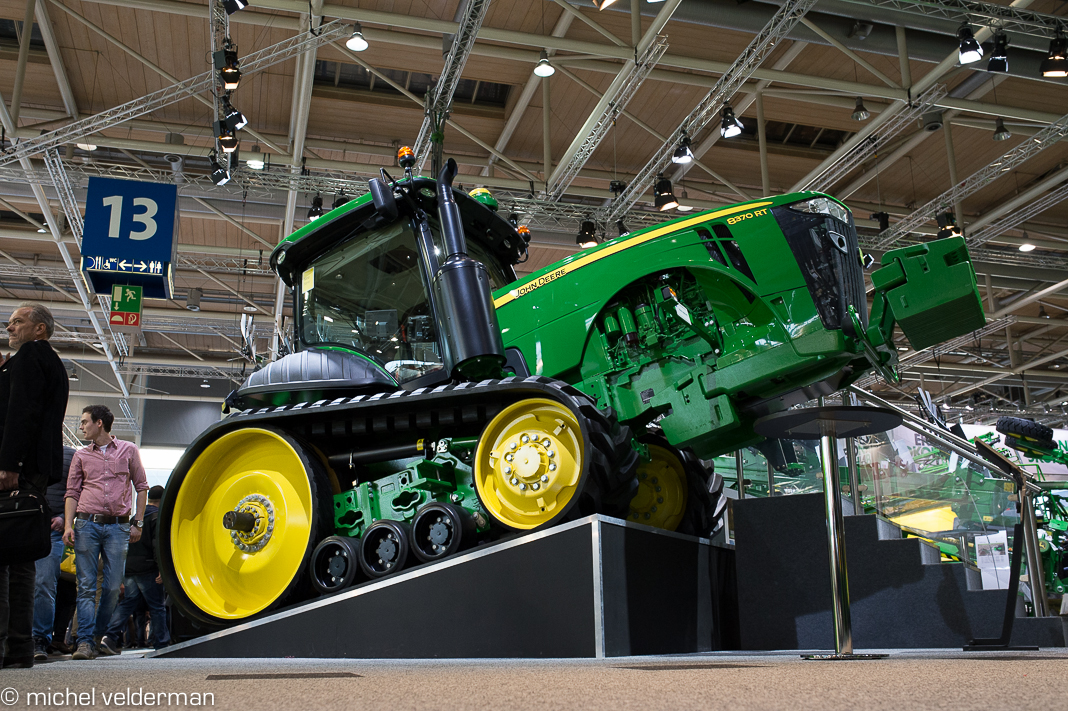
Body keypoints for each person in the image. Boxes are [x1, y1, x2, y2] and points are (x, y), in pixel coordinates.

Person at [0, 303, 69, 669]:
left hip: (19, 469)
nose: (10, 327)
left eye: (18, 321)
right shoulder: (49, 361)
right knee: (20, 557)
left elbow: (21, 412)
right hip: (36, 469)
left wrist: (9, 464)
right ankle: (18, 647)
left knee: (5, 557)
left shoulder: (30, 356)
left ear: (40, 328)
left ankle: (8, 645)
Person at [64, 405, 148, 660]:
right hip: (86, 524)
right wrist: (68, 525)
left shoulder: (128, 450)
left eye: (84, 422)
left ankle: (96, 635)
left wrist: (138, 523)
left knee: (112, 588)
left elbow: (141, 487)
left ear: (99, 423)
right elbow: (72, 492)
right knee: (86, 587)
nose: (81, 426)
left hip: (118, 527)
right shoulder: (81, 456)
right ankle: (85, 641)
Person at [101, 485, 170, 651]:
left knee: (127, 604)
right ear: (162, 500)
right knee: (157, 606)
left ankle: (109, 636)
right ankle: (162, 642)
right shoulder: (156, 518)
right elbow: (157, 545)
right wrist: (161, 568)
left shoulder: (135, 519)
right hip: (148, 568)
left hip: (130, 569)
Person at [33, 446, 75, 660]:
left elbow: (79, 491)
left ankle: (39, 638)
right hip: (23, 523)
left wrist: (65, 520)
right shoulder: (23, 450)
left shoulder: (72, 455)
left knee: (44, 583)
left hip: (52, 529)